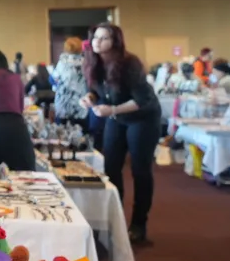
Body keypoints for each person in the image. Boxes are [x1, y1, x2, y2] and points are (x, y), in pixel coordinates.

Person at [80, 23, 161, 245]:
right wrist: (90, 98)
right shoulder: (92, 61)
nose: (97, 42)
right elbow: (96, 91)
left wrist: (113, 110)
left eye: (104, 38)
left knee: (140, 170)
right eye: (95, 37)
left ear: (115, 42)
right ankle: (114, 221)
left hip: (143, 118)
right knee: (111, 168)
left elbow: (141, 99)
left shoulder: (129, 63)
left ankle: (138, 224)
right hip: (116, 118)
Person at [51, 37, 88, 128]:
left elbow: (52, 79)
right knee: (81, 131)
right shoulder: (87, 63)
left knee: (62, 132)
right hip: (81, 104)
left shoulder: (62, 63)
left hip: (63, 104)